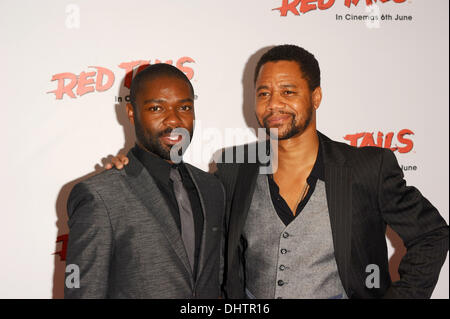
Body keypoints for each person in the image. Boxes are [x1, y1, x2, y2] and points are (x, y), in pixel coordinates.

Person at [108, 45, 449, 299]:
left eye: (288, 92)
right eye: (264, 93)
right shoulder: (233, 168)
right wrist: (131, 170)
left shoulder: (366, 168)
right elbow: (181, 203)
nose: (274, 104)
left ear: (315, 96)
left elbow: (432, 235)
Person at [65, 63, 225, 298]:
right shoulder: (100, 196)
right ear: (131, 113)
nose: (174, 120)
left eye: (184, 107)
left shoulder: (212, 189)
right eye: (157, 108)